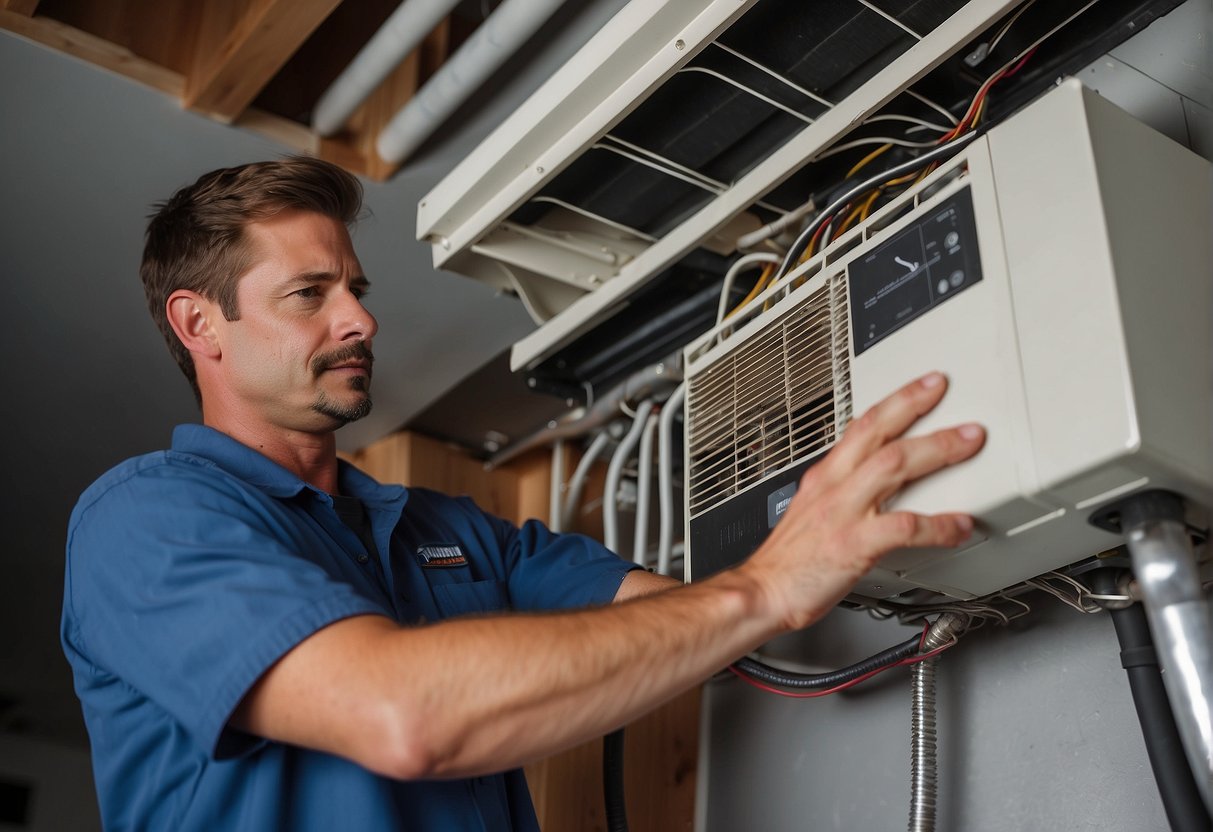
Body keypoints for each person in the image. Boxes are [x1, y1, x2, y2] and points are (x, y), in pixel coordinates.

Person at [61, 157, 985, 831]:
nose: (360, 318)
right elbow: (403, 718)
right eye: (309, 293)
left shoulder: (448, 530)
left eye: (355, 285)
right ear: (199, 324)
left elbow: (693, 626)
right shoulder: (146, 520)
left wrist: (805, 544)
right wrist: (763, 589)